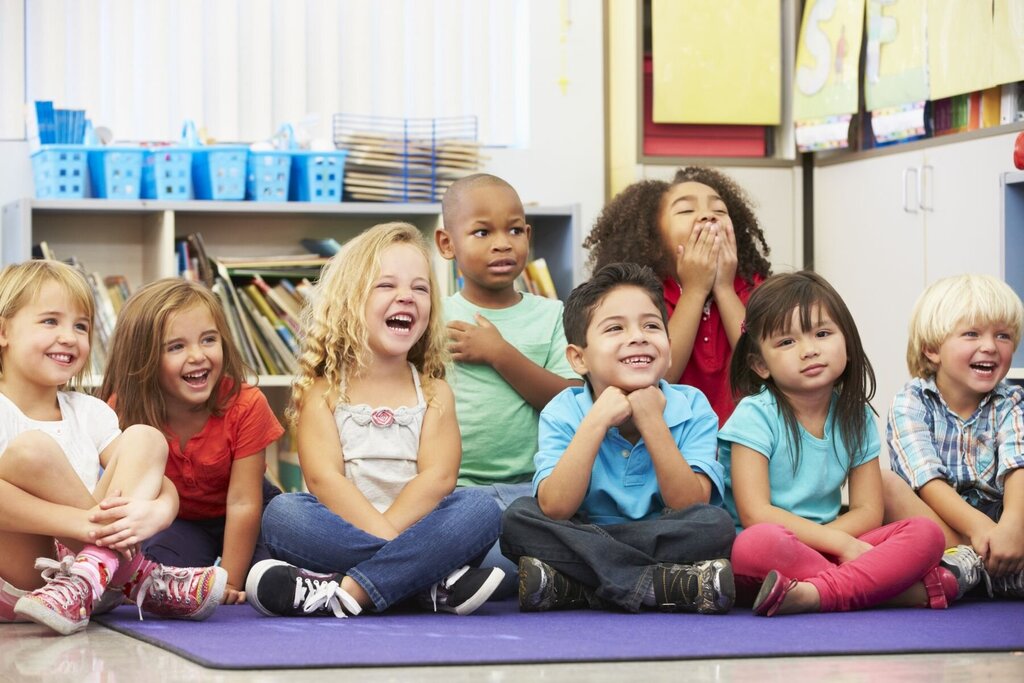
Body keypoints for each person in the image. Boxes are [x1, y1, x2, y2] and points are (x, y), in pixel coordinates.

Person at [246, 222, 504, 618]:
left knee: (481, 508)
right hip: (343, 533)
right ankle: (429, 583)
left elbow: (438, 480)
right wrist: (393, 542)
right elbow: (323, 481)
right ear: (350, 302)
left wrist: (398, 533)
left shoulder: (435, 394)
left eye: (420, 288)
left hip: (421, 528)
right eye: (386, 286)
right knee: (283, 515)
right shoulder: (324, 392)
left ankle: (345, 589)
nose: (406, 297)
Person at [0, 260, 225, 635]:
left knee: (146, 437)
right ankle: (134, 574)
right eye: (50, 321)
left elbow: (154, 472)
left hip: (92, 578)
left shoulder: (90, 411)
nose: (69, 337)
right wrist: (84, 526)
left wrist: (159, 512)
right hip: (22, 579)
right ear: (3, 331)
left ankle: (93, 573)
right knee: (32, 452)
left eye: (81, 326)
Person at [719, 271, 961, 616]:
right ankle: (886, 592)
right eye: (787, 342)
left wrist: (833, 542)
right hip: (774, 553)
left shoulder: (856, 416)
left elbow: (868, 510)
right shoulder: (754, 415)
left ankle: (816, 594)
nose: (809, 350)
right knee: (756, 544)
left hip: (832, 544)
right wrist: (839, 544)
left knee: (926, 533)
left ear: (846, 341)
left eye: (822, 333)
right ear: (760, 364)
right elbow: (756, 513)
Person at [500, 262, 736, 615]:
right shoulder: (562, 411)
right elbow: (556, 507)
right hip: (586, 529)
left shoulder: (693, 405)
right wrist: (595, 421)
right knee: (519, 519)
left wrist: (653, 422)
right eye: (615, 328)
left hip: (660, 532)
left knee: (714, 526)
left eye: (651, 326)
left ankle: (577, 585)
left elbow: (690, 503)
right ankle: (658, 584)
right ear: (579, 358)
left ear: (668, 349)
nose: (638, 336)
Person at [435, 173, 581, 596]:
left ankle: (473, 577)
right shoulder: (433, 316)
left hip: (533, 491)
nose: (503, 243)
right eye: (482, 232)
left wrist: (499, 353)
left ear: (528, 236)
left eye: (514, 230)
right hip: (454, 492)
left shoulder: (555, 314)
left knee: (532, 549)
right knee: (455, 543)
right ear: (447, 244)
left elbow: (571, 401)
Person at [99, 279, 284, 605]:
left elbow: (243, 504)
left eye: (208, 340)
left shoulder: (247, 404)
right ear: (142, 359)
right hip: (179, 517)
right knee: (157, 570)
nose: (198, 356)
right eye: (176, 346)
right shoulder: (122, 410)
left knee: (266, 576)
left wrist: (230, 580)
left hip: (249, 510)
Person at [584, 167, 772, 425]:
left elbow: (766, 368)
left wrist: (725, 289)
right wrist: (695, 290)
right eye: (686, 211)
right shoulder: (642, 297)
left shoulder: (755, 287)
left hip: (746, 437)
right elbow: (660, 376)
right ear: (654, 237)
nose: (708, 216)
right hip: (674, 439)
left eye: (719, 210)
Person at [884, 274, 1024, 599]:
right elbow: (927, 481)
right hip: (948, 533)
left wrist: (1013, 528)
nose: (990, 346)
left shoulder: (1011, 402)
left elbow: (1018, 465)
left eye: (1003, 335)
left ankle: (980, 570)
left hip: (1006, 531)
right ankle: (985, 566)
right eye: (972, 334)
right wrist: (983, 534)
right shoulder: (911, 402)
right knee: (884, 485)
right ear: (933, 349)